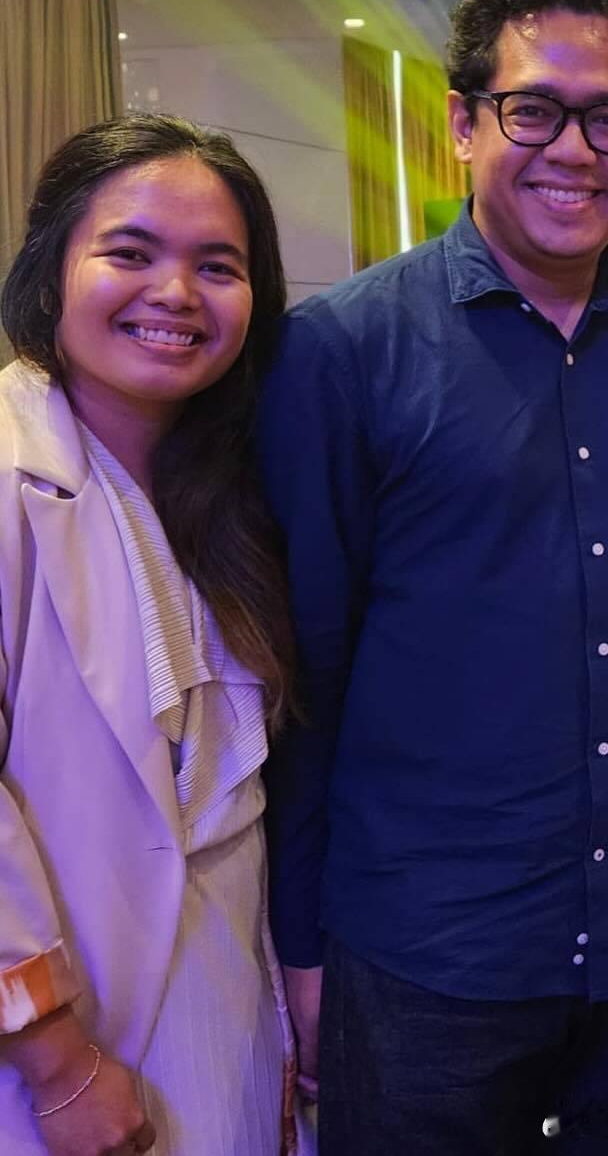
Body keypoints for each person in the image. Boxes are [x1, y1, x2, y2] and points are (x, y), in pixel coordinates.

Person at [259, 0, 608, 1155]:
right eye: (534, 110)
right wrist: (300, 945)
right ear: (464, 121)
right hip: (426, 957)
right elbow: (305, 676)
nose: (573, 149)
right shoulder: (344, 351)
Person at [0, 114, 295, 1155]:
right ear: (52, 269)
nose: (175, 292)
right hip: (66, 1034)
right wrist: (55, 1059)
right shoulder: (11, 472)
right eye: (129, 253)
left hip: (226, 991)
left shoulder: (234, 482)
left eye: (218, 266)